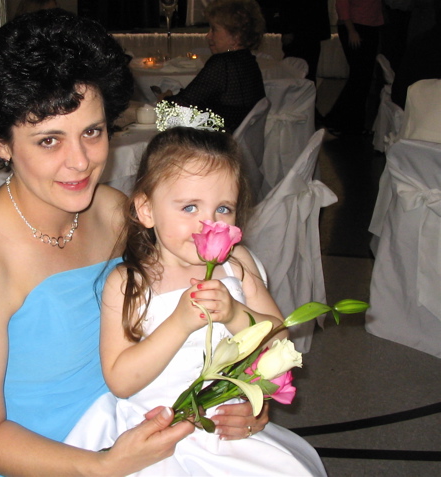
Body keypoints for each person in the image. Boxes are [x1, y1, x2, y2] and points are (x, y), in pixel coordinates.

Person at [0, 9, 270, 476]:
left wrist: (245, 396)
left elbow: (194, 303)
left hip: (133, 423)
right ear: (1, 143)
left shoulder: (112, 212)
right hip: (40, 460)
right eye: (49, 141)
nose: (80, 162)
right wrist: (103, 466)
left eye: (92, 132)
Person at [64, 126, 327, 476]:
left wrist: (235, 314)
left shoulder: (237, 264)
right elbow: (121, 381)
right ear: (146, 209)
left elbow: (280, 341)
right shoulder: (129, 283)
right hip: (151, 430)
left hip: (223, 428)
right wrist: (179, 323)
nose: (208, 223)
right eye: (189, 207)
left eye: (224, 208)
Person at [161, 0, 266, 133]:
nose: (208, 36)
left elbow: (177, 107)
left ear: (236, 36)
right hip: (237, 140)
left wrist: (164, 99)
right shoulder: (248, 61)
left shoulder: (223, 64)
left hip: (218, 141)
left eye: (214, 30)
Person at [324, 0, 384, 136]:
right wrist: (351, 30)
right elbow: (342, 4)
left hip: (370, 25)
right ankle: (337, 120)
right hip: (355, 27)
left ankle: (354, 124)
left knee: (363, 79)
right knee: (359, 77)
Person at [278, 0, 331, 84]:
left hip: (312, 27)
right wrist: (287, 29)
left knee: (309, 69)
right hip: (298, 28)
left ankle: (308, 90)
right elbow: (285, 5)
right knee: (293, 68)